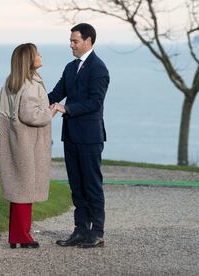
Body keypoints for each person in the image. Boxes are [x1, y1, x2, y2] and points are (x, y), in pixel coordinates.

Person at [48, 23, 110, 248]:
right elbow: (55, 94)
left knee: (92, 184)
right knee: (76, 185)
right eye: (70, 40)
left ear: (88, 41)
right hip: (71, 136)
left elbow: (95, 103)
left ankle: (98, 232)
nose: (71, 45)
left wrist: (67, 108)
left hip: (90, 137)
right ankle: (81, 229)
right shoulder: (69, 68)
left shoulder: (98, 68)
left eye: (75, 41)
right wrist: (31, 102)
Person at [0, 43, 57, 249]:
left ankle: (18, 235)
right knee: (25, 190)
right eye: (37, 53)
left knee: (19, 188)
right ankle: (22, 236)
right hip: (29, 143)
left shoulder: (11, 82)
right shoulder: (30, 84)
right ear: (29, 60)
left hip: (15, 141)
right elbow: (30, 115)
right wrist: (52, 111)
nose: (40, 56)